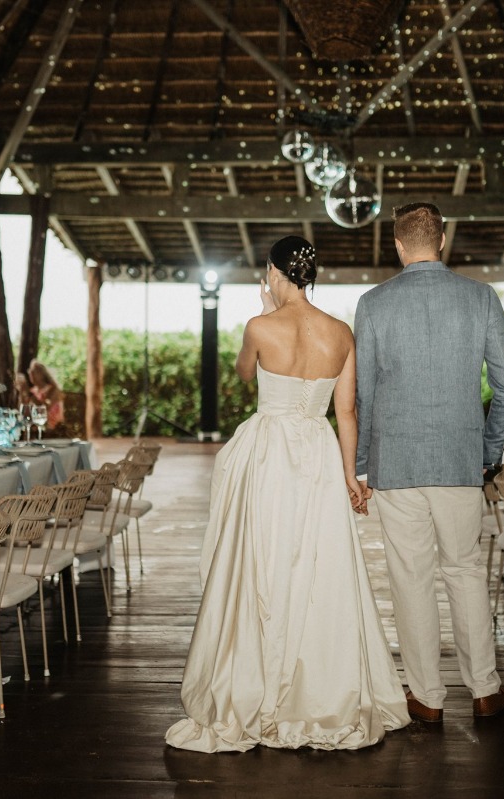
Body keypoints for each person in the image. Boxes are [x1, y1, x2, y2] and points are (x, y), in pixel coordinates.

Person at [166, 236, 408, 753]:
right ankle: (319, 686)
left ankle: (258, 680)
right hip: (319, 452)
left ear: (275, 272)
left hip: (271, 451)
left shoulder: (260, 326)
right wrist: (352, 476)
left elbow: (244, 373)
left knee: (264, 560)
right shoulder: (341, 333)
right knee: (318, 564)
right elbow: (347, 414)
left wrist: (264, 310)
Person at [354, 202, 504, 724]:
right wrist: (488, 452)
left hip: (396, 463)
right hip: (459, 461)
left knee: (410, 578)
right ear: (442, 240)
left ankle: (426, 697)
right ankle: (485, 690)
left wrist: (360, 465)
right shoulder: (481, 298)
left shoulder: (373, 303)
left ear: (399, 246)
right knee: (466, 572)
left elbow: (363, 393)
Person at [27, 360, 64, 431]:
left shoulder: (53, 389)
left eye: (34, 371)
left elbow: (44, 409)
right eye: (30, 370)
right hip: (35, 429)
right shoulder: (32, 391)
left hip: (54, 430)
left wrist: (29, 395)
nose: (30, 373)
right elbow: (25, 412)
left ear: (42, 374)